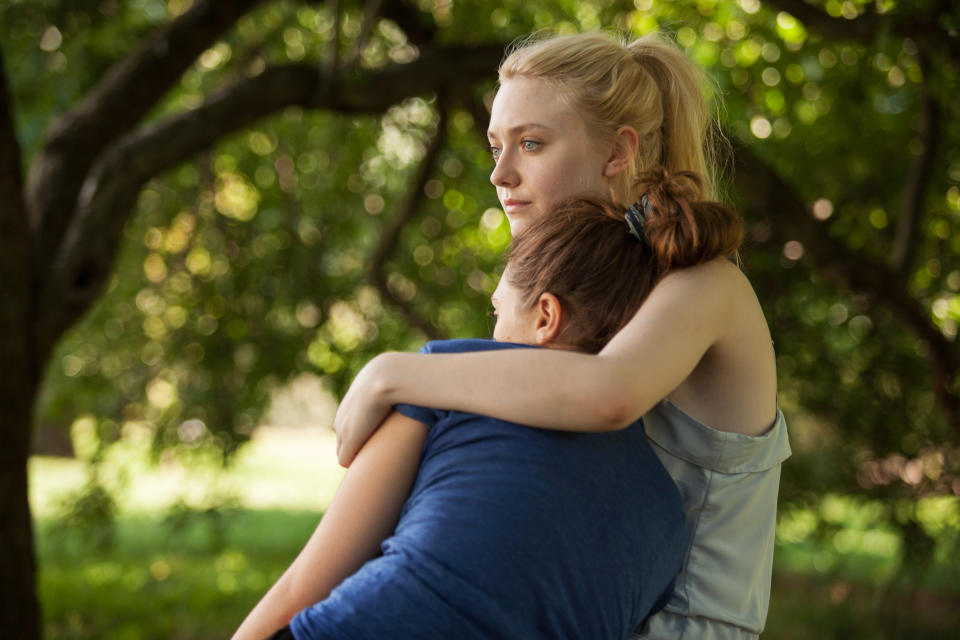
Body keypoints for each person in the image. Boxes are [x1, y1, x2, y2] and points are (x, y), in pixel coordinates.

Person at [333, 31, 791, 640]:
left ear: (617, 153)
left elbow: (608, 394)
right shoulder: (577, 294)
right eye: (496, 146)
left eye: (531, 143)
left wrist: (390, 374)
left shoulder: (706, 288)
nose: (500, 173)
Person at [233, 196, 693, 640]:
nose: (489, 331)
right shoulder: (668, 521)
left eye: (496, 312)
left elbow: (304, 587)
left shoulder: (439, 378)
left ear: (546, 317)